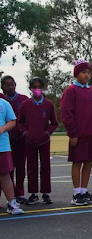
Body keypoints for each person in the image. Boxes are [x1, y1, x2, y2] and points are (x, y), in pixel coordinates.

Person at [60, 59, 92, 206]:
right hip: (78, 135)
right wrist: (72, 133)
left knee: (89, 162)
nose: (87, 75)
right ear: (76, 73)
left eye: (89, 72)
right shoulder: (70, 91)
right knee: (77, 162)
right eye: (84, 72)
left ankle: (84, 191)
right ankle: (76, 192)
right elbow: (66, 114)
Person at [18, 77, 58, 205]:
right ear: (30, 89)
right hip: (30, 141)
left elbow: (54, 123)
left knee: (45, 167)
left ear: (42, 88)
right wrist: (25, 133)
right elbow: (20, 122)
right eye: (34, 87)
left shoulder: (48, 105)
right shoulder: (25, 105)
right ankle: (33, 193)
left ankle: (46, 193)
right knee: (31, 167)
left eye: (39, 87)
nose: (37, 90)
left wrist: (47, 133)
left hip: (44, 141)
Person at [1, 76, 28, 203]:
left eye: (12, 84)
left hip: (21, 138)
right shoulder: (2, 100)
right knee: (7, 170)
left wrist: (24, 131)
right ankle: (10, 196)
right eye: (6, 85)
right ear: (2, 87)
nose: (10, 87)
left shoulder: (23, 99)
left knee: (20, 167)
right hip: (7, 139)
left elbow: (28, 118)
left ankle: (20, 193)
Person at [0, 96, 24, 214]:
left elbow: (12, 121)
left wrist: (3, 128)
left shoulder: (4, 103)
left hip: (2, 146)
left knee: (5, 175)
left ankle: (12, 203)